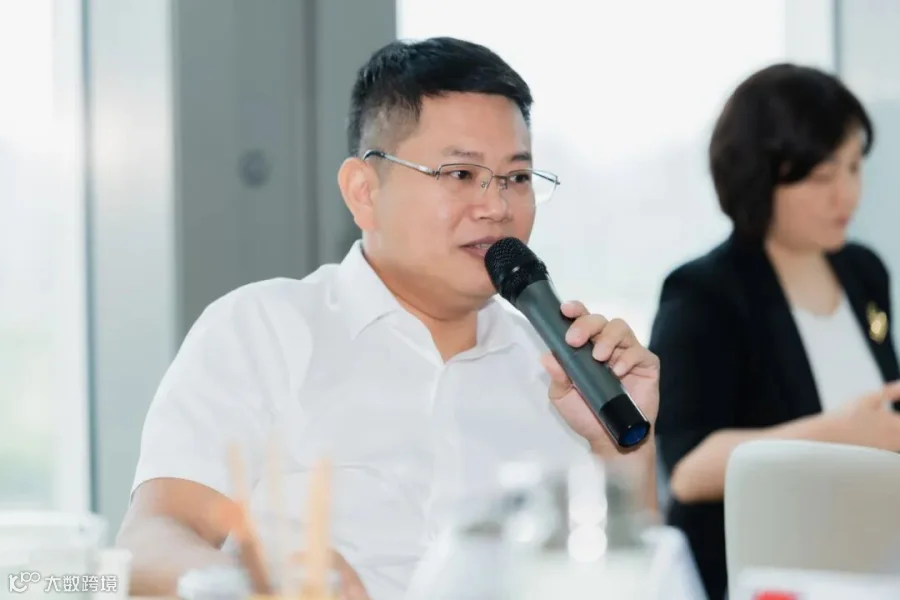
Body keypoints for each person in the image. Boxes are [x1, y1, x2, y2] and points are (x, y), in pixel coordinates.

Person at [118, 37, 661, 600]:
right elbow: (151, 543)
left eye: (517, 178)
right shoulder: (261, 330)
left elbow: (635, 584)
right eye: (460, 173)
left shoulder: (561, 370)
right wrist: (254, 582)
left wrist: (622, 447)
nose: (497, 206)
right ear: (364, 192)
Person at [650, 62, 900, 600]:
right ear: (760, 179)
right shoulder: (704, 293)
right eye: (822, 177)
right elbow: (688, 470)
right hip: (761, 576)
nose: (847, 195)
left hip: (870, 566)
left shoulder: (864, 272)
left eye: (855, 168)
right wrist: (839, 435)